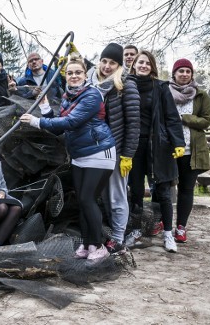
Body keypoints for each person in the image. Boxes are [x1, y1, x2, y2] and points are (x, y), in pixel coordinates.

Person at [21, 54, 116, 261]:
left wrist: (36, 121)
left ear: (85, 74)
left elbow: (71, 122)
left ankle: (99, 245)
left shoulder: (92, 95)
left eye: (78, 72)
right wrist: (45, 108)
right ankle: (88, 243)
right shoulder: (67, 97)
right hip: (79, 156)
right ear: (65, 75)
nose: (74, 76)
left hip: (99, 153)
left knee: (88, 199)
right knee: (83, 201)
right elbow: (57, 128)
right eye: (70, 73)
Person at [125, 50, 185, 253]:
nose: (143, 65)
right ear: (134, 64)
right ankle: (135, 231)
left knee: (163, 191)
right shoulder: (126, 85)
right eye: (140, 62)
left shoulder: (160, 87)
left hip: (157, 145)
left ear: (152, 67)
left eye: (147, 63)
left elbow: (171, 117)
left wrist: (178, 142)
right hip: (133, 146)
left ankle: (168, 233)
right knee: (136, 190)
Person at [86, 43, 140, 254]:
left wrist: (127, 154)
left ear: (119, 65)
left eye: (113, 63)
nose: (107, 66)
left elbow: (134, 123)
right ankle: (109, 233)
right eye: (105, 61)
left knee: (116, 196)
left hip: (116, 151)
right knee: (100, 196)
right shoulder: (91, 83)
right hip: (94, 150)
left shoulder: (125, 85)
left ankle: (118, 238)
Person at [169, 58, 210, 243]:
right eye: (181, 71)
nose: (185, 74)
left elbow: (206, 120)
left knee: (186, 189)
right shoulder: (165, 92)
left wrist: (185, 118)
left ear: (192, 74)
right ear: (174, 74)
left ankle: (181, 227)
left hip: (191, 150)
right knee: (163, 187)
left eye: (188, 71)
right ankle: (161, 223)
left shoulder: (200, 95)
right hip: (169, 150)